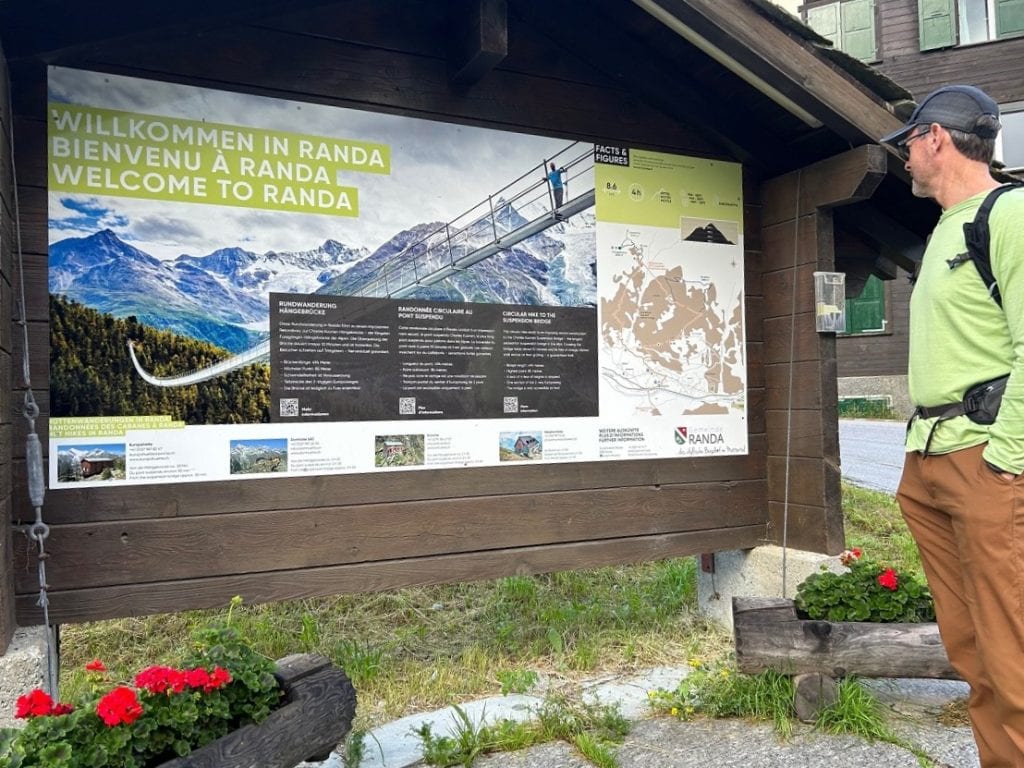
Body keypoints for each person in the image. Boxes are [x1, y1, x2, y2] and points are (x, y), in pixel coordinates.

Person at [882, 84, 1024, 767]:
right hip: (930, 460)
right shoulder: (945, 225)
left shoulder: (1010, 213)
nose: (905, 156)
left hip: (985, 461)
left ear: (935, 138)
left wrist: (1005, 461)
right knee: (972, 649)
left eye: (908, 142)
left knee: (1012, 651)